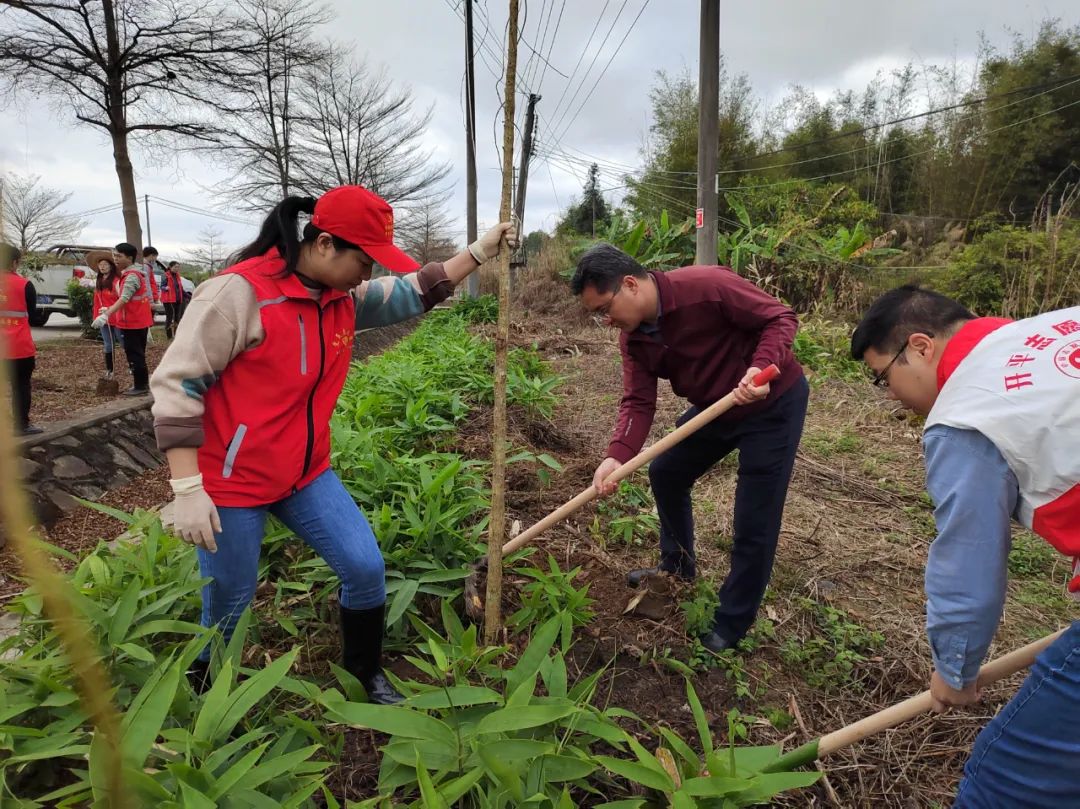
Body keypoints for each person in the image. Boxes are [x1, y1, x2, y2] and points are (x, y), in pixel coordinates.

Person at [149, 185, 516, 702]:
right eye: (365, 262)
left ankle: (364, 674)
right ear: (323, 245)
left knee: (365, 567)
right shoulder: (238, 296)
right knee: (229, 603)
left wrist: (478, 252)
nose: (369, 275)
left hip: (304, 474)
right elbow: (177, 385)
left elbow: (413, 291)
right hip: (231, 483)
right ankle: (209, 701)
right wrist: (187, 487)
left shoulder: (340, 300)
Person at [850, 286, 1080, 808]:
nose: (889, 395)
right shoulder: (1053, 328)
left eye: (883, 376)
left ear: (921, 346)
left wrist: (955, 669)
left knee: (1005, 785)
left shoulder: (967, 414)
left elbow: (969, 560)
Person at [571, 244, 808, 653]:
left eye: (604, 310)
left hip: (772, 404)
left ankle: (732, 621)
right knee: (667, 471)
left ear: (630, 284)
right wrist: (616, 455)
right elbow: (638, 402)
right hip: (716, 407)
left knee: (754, 516)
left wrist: (760, 365)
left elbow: (780, 317)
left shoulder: (706, 286)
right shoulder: (634, 342)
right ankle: (677, 568)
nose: (606, 321)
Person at [92, 242, 153, 396]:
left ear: (130, 257)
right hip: (136, 320)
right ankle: (142, 384)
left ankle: (140, 386)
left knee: (134, 354)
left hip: (131, 322)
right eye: (115, 256)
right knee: (137, 353)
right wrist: (109, 309)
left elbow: (124, 298)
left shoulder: (132, 276)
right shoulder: (132, 274)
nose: (116, 259)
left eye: (119, 256)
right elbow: (127, 299)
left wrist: (106, 314)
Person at [1, 244, 42, 436]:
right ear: (15, 262)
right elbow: (34, 318)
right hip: (18, 346)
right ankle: (21, 426)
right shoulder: (25, 285)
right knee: (21, 385)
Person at [90, 254, 124, 378]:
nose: (102, 267)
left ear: (111, 266)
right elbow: (96, 302)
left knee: (123, 342)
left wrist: (109, 310)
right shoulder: (98, 281)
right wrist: (96, 316)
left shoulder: (117, 281)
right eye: (100, 265)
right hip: (102, 318)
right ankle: (110, 369)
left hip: (116, 317)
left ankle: (132, 366)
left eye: (105, 264)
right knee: (108, 344)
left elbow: (121, 299)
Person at [160, 260, 184, 339]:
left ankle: (176, 335)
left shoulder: (177, 276)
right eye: (175, 267)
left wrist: (189, 295)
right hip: (168, 300)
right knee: (170, 317)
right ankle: (169, 336)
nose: (177, 269)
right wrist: (165, 288)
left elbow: (180, 288)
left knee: (177, 317)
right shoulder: (165, 275)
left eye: (178, 267)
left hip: (178, 300)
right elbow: (162, 286)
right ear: (170, 267)